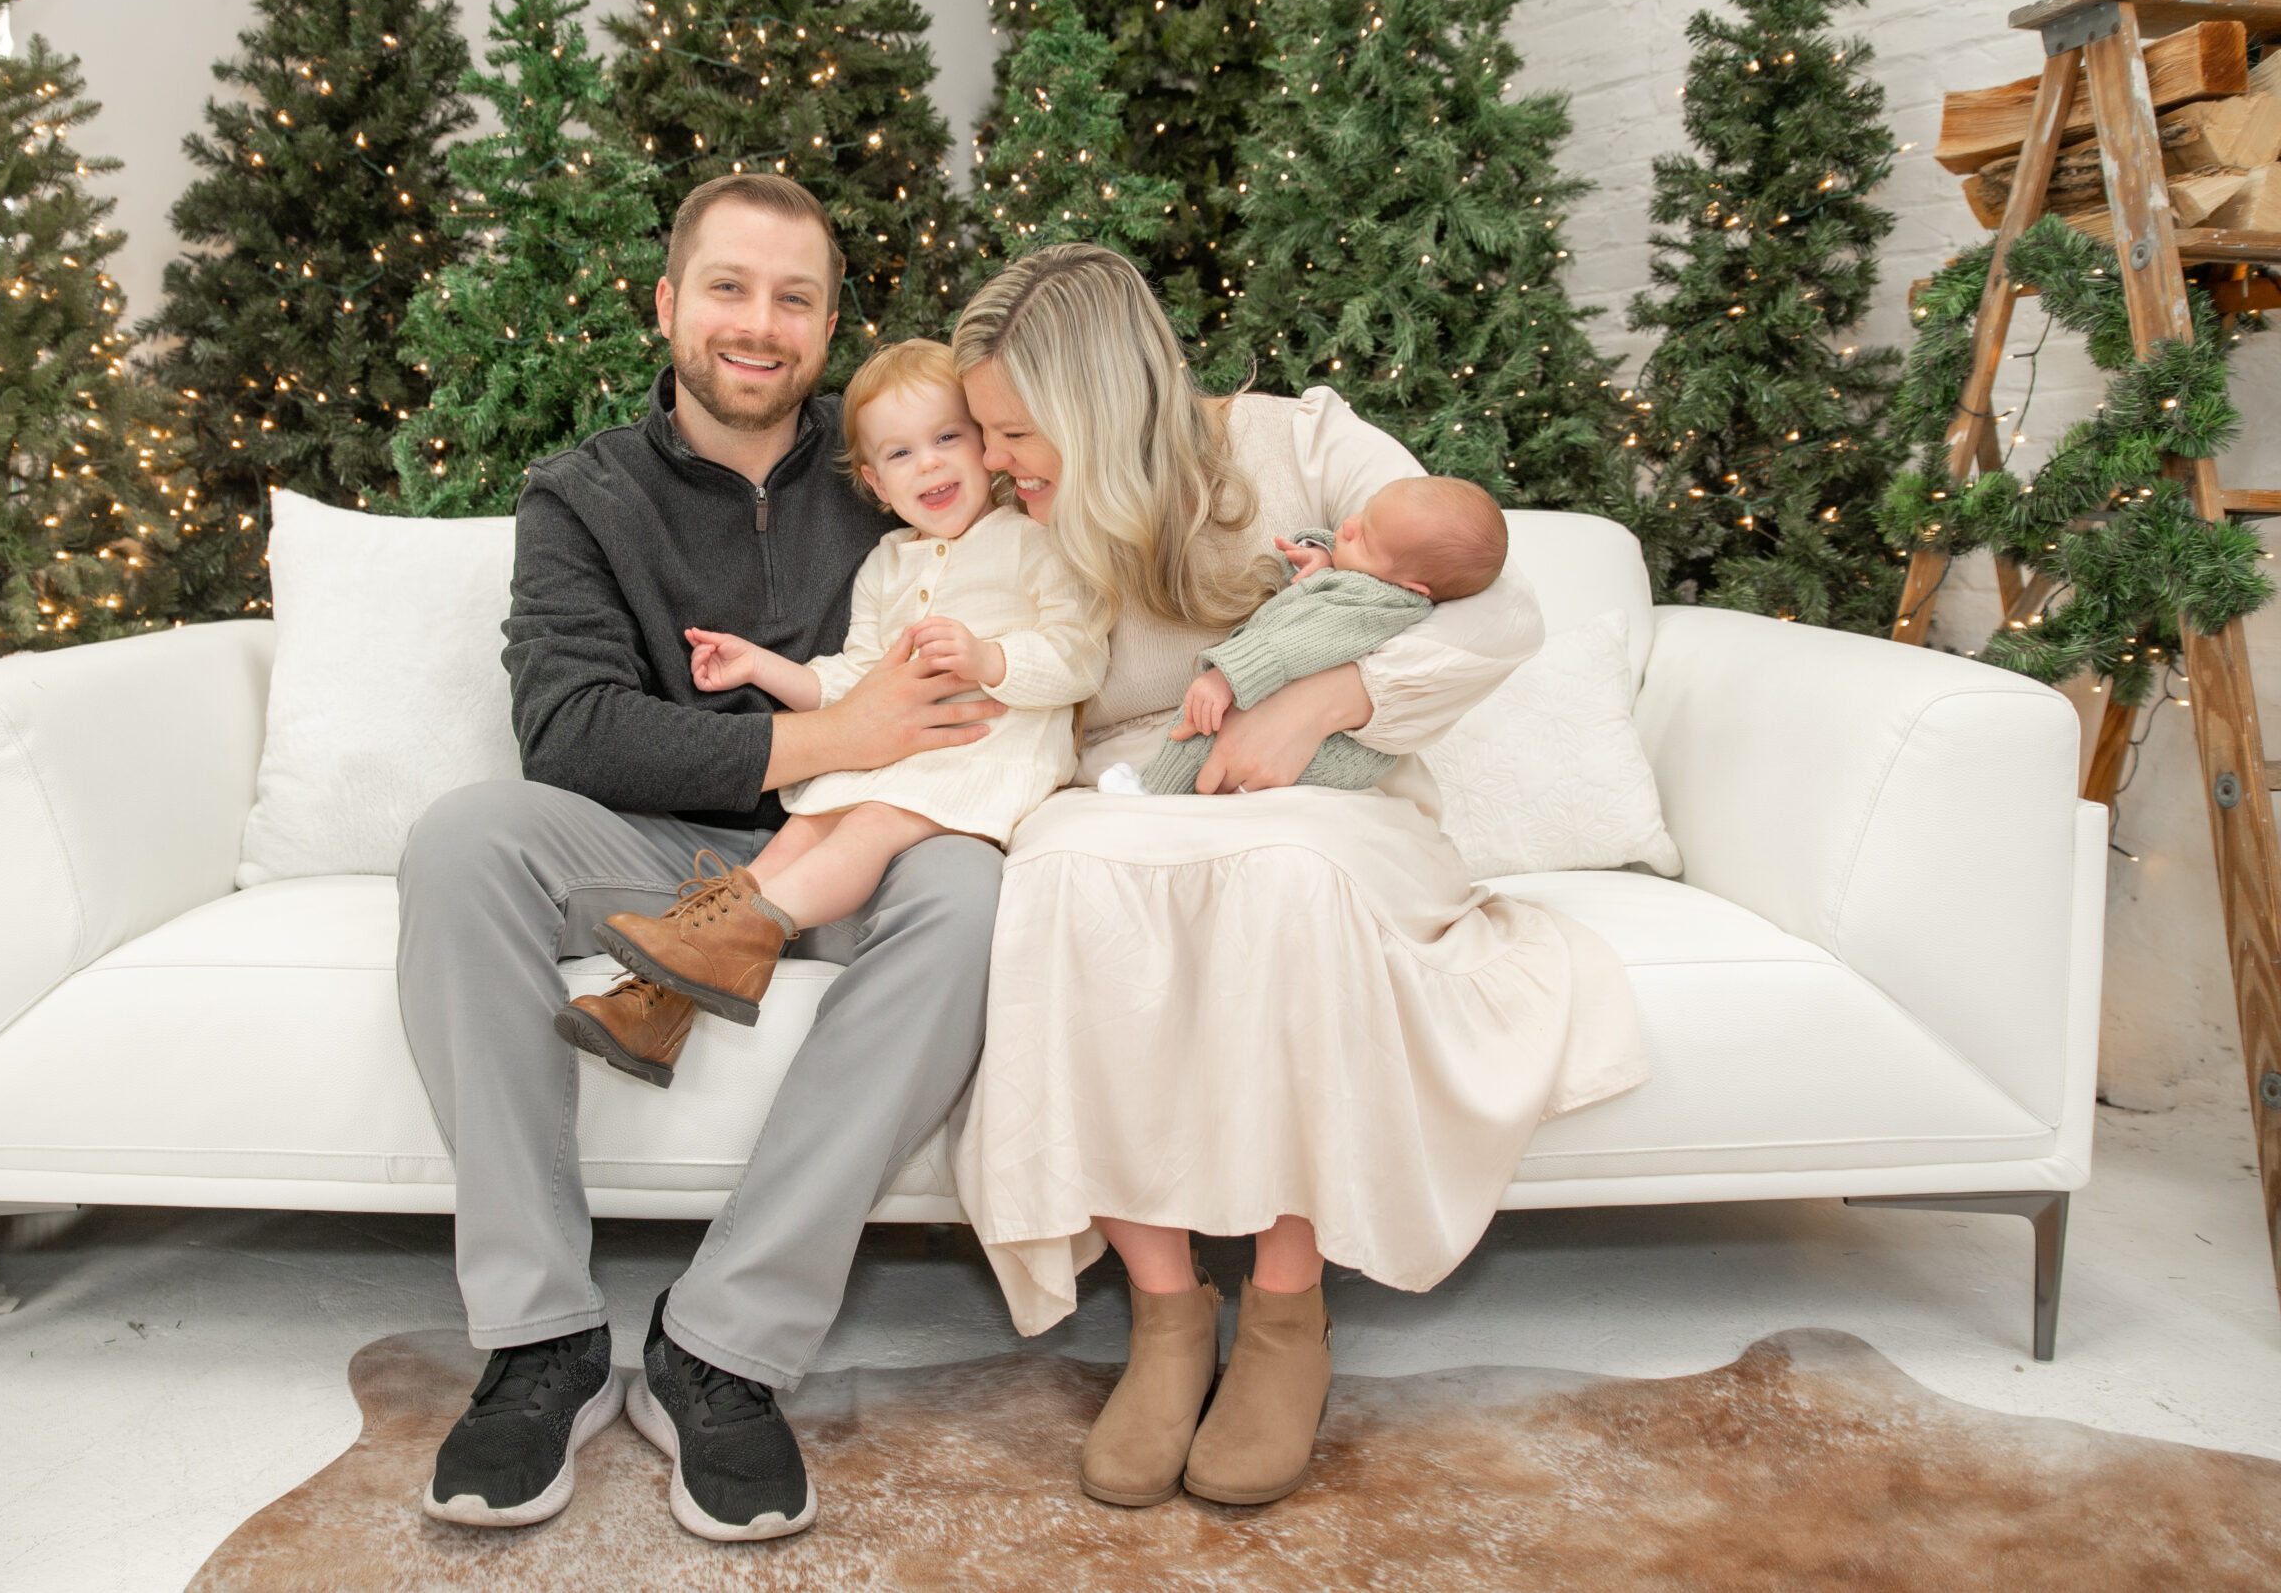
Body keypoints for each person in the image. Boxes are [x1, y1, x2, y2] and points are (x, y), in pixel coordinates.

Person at [948, 244, 1648, 1511]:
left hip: (1335, 789)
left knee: (1283, 871)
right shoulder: (1022, 522)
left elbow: (1501, 608)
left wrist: (1329, 694)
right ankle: (1165, 1315)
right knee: (1060, 880)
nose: (995, 458)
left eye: (1012, 430)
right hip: (1131, 791)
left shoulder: (1302, 443)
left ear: (1100, 401)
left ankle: (1285, 1312)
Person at [397, 175, 1006, 1544]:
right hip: (654, 841)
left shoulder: (901, 483)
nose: (759, 322)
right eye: (729, 287)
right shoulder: (583, 493)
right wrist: (836, 726)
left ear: (829, 324)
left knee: (972, 890)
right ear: (670, 305)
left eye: (795, 296)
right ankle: (541, 1334)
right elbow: (569, 732)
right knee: (463, 838)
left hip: (857, 843)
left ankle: (722, 1341)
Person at [566, 338, 1106, 1082]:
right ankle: (655, 1005)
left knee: (874, 822)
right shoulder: (886, 563)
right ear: (877, 484)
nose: (931, 464)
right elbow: (852, 679)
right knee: (798, 833)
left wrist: (992, 660)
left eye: (948, 437)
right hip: (891, 756)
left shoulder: (1032, 543)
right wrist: (763, 666)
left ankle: (735, 937)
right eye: (902, 453)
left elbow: (1082, 655)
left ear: (986, 447)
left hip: (983, 751)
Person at [1125, 475, 1508, 796]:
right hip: (1327, 750)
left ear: (1412, 584)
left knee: (1200, 733)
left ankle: (1151, 795)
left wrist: (1225, 676)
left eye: (1365, 540)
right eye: (1364, 511)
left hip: (1294, 722)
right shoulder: (1386, 594)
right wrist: (1327, 559)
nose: (1349, 526)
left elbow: (1293, 643)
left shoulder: (1366, 603)